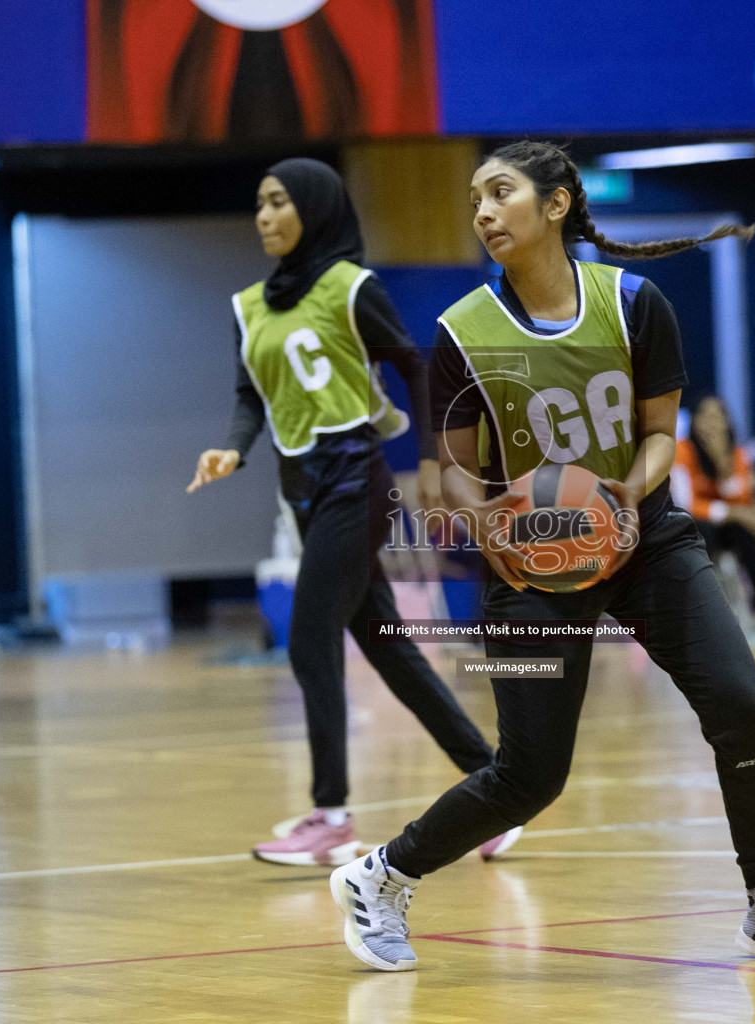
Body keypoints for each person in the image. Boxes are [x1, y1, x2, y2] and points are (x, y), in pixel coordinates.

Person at [329, 141, 755, 972]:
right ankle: (381, 875)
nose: (484, 213)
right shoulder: (459, 332)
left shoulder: (638, 304)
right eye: (474, 201)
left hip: (646, 540)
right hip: (533, 565)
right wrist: (498, 526)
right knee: (530, 777)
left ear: (559, 202)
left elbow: (657, 439)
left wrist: (614, 504)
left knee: (742, 705)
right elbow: (452, 475)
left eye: (500, 194)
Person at [188, 158, 513, 867]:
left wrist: (432, 463)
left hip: (354, 480)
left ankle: (331, 817)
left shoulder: (350, 288)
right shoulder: (248, 306)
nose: (264, 216)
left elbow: (418, 367)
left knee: (310, 640)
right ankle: (498, 792)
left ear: (316, 208)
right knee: (392, 651)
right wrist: (231, 450)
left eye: (279, 202)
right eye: (259, 204)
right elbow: (251, 398)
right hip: (302, 490)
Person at [671, 395, 755, 632]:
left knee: (748, 532)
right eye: (705, 417)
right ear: (695, 422)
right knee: (705, 531)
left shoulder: (738, 454)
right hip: (694, 526)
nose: (711, 423)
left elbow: (743, 500)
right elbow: (686, 504)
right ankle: (702, 611)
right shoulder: (681, 451)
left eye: (717, 417)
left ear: (727, 423)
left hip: (729, 524)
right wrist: (734, 512)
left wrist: (723, 466)